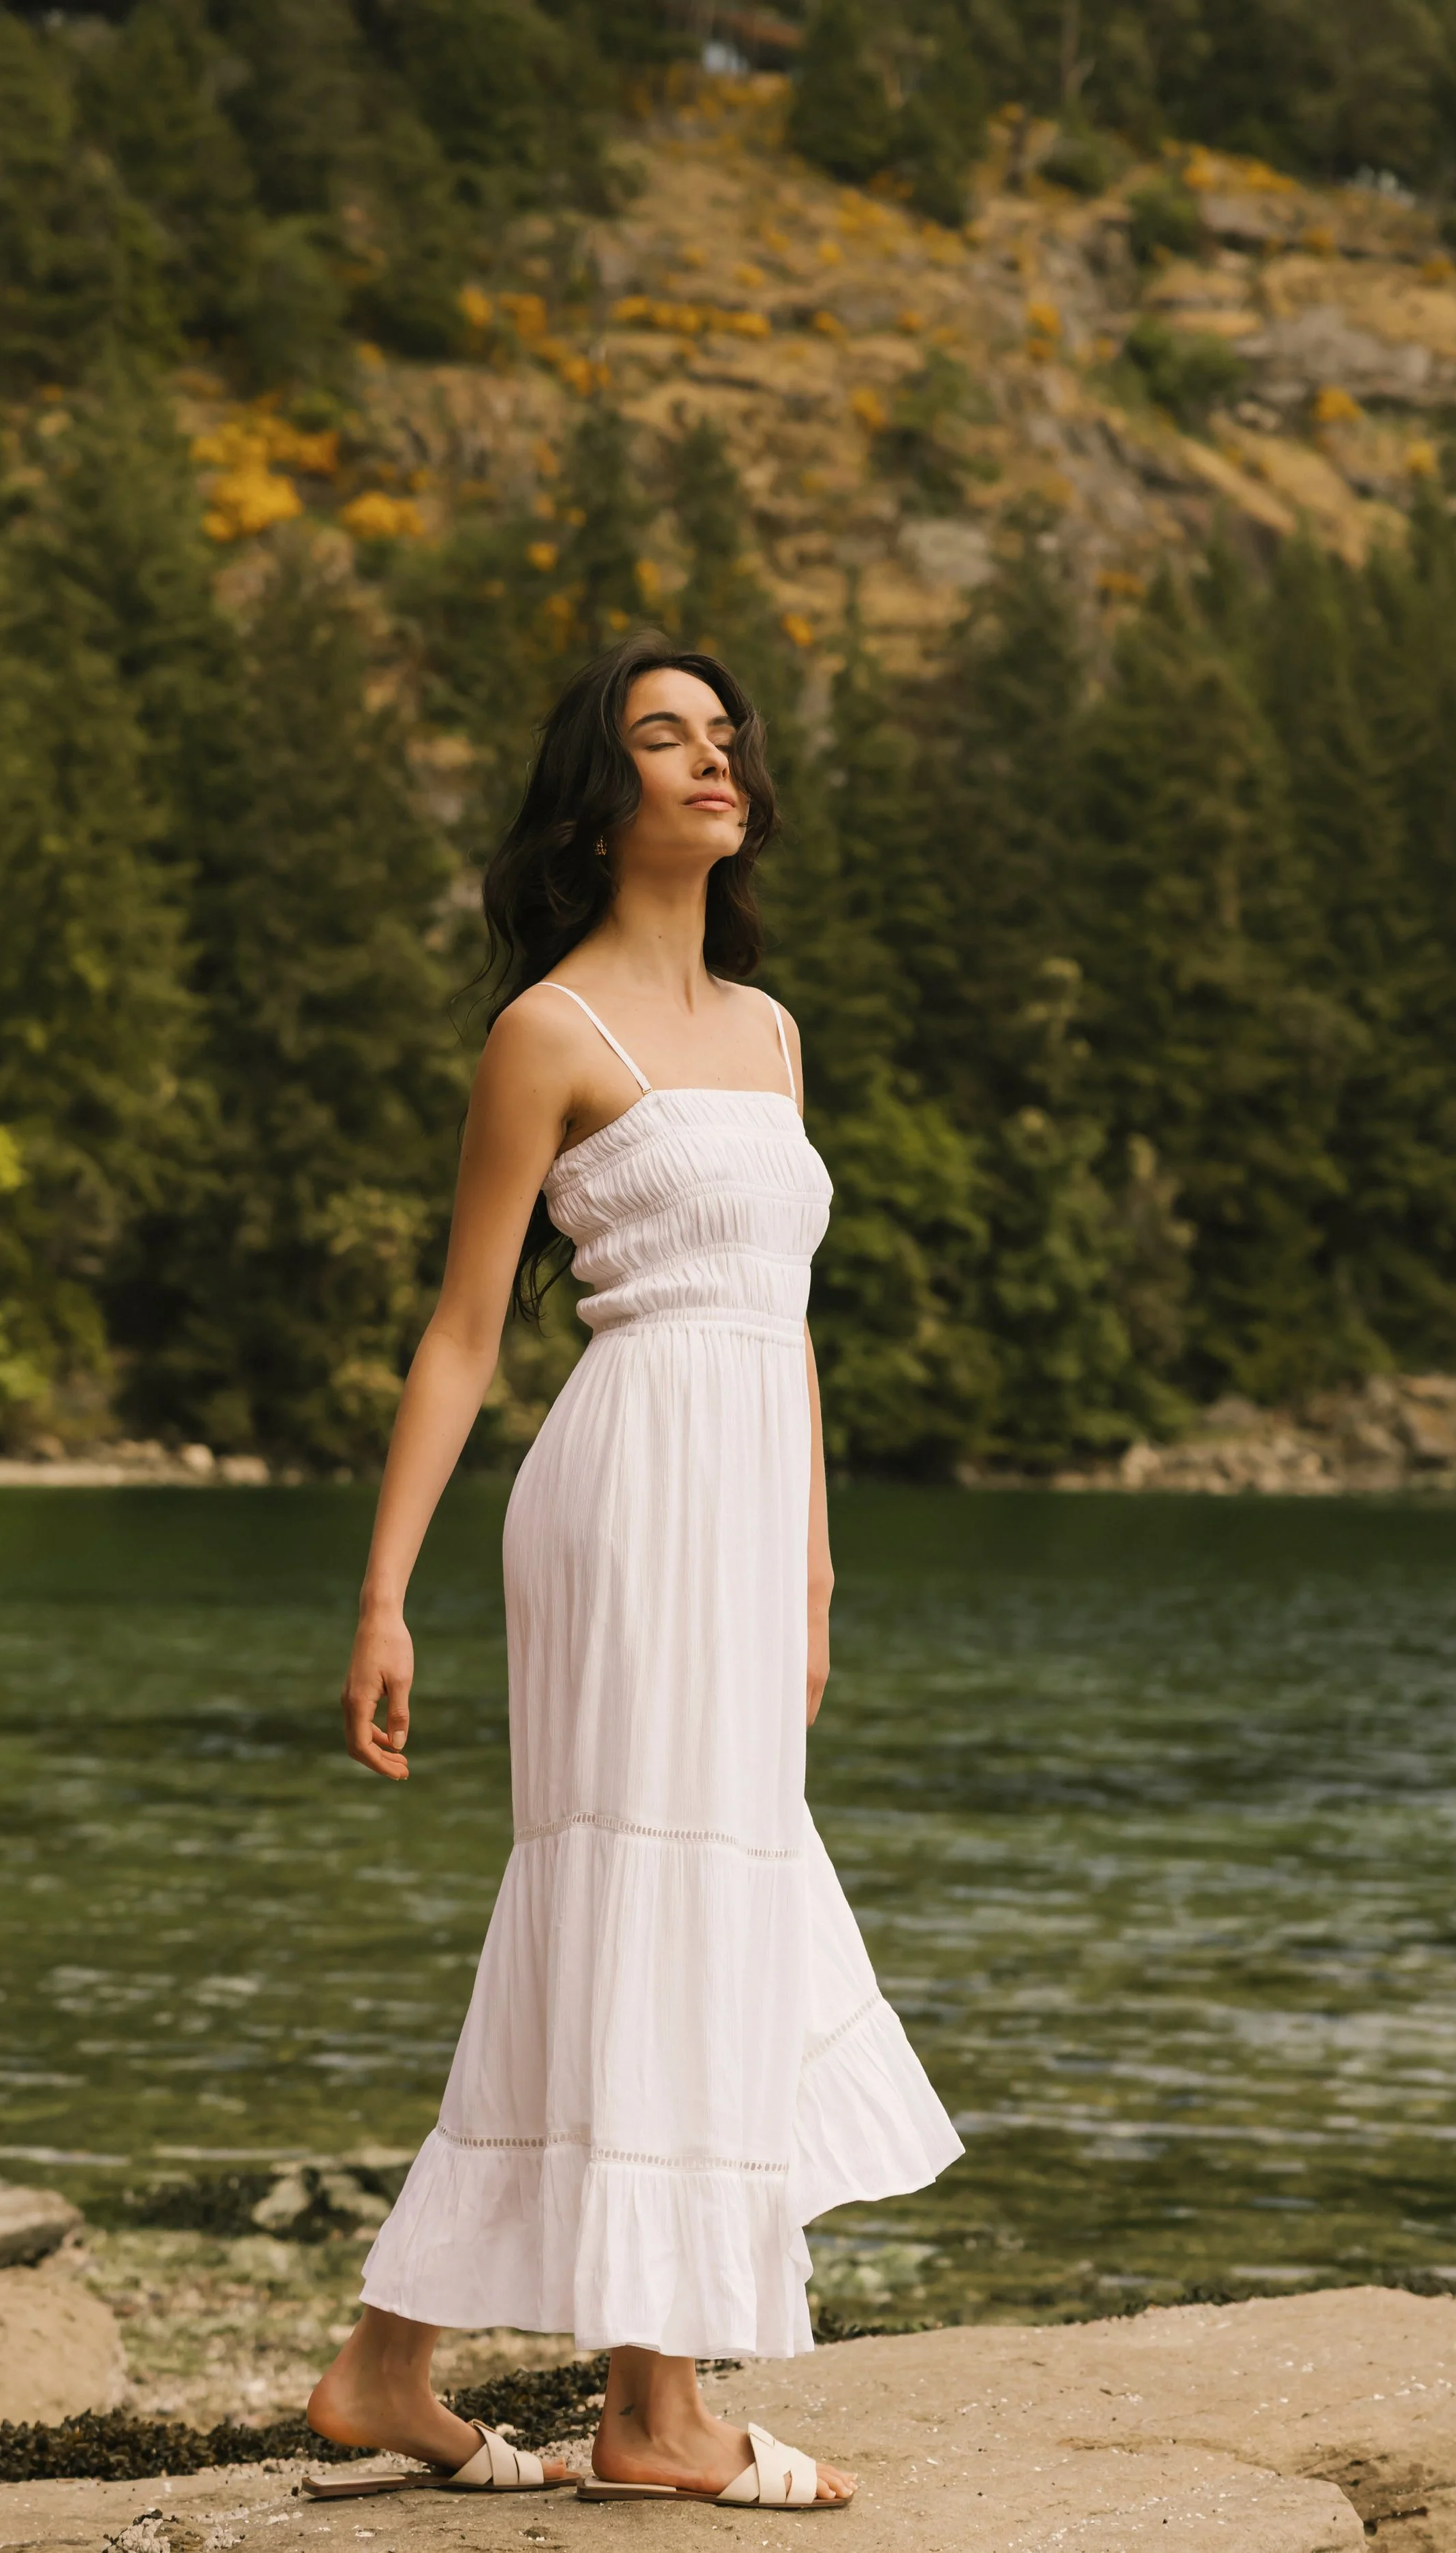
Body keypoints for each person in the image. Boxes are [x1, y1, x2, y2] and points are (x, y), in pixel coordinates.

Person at [306, 633, 961, 2509]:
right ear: (597, 804)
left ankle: (386, 2363)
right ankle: (653, 2410)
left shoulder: (768, 1030)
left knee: (654, 1901)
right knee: (642, 1893)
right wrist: (380, 1595)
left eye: (722, 732)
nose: (711, 756)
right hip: (619, 1491)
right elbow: (458, 1333)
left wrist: (820, 1556)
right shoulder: (545, 1032)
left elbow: (790, 1317)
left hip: (750, 1501)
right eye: (663, 736)